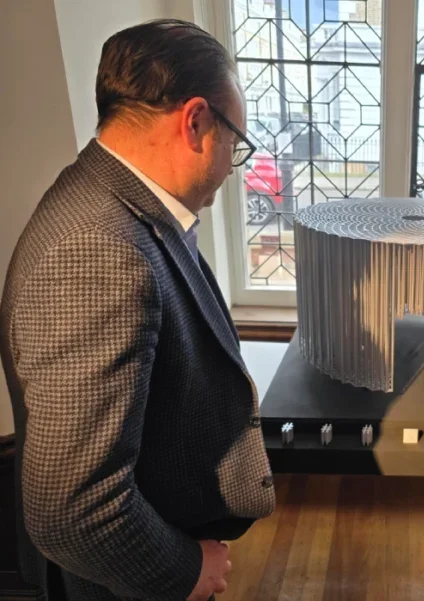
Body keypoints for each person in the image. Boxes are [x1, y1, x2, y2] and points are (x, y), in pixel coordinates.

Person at [0, 19, 275, 601]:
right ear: (196, 121)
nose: (232, 166)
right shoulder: (96, 250)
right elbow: (71, 509)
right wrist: (184, 570)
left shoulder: (111, 197)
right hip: (123, 583)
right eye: (236, 142)